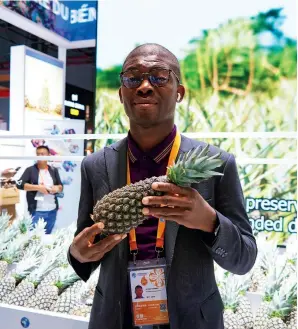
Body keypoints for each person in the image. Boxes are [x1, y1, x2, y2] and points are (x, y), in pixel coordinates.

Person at [68, 43, 257, 329]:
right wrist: (78, 254)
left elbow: (244, 258)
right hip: (116, 317)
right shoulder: (95, 166)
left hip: (191, 319)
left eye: (159, 76)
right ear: (121, 93)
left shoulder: (217, 164)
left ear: (179, 93)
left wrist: (210, 221)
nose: (144, 86)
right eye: (132, 78)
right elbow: (86, 241)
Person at [17, 145, 63, 234]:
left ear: (49, 155)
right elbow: (20, 184)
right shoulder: (30, 170)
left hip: (52, 210)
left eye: (42, 154)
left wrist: (56, 188)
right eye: (38, 154)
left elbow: (61, 186)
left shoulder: (53, 170)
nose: (40, 156)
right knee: (35, 238)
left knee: (48, 235)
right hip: (36, 211)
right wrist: (38, 187)